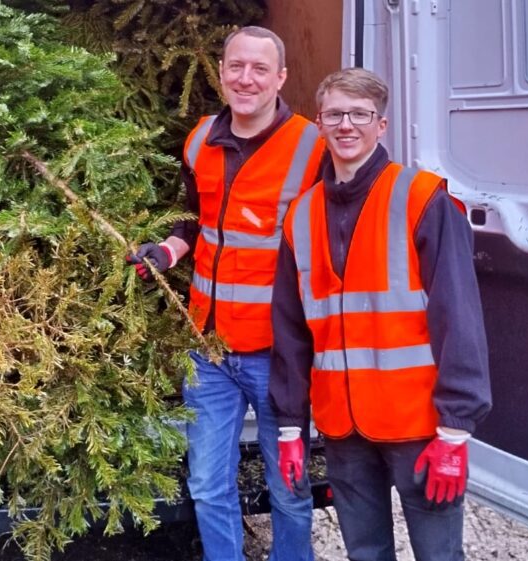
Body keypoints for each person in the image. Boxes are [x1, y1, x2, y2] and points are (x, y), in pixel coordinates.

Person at [269, 67, 492, 561]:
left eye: (360, 114)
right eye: (334, 114)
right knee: (364, 554)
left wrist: (455, 431)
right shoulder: (300, 216)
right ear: (320, 124)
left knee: (439, 556)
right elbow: (289, 331)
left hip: (419, 427)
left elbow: (460, 318)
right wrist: (290, 427)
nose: (346, 125)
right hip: (343, 429)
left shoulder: (422, 198)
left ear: (381, 125)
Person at [128, 26, 326, 561]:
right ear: (221, 72)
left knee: (289, 489)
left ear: (280, 78)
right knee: (208, 486)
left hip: (277, 354)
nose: (246, 78)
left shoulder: (313, 146)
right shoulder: (199, 139)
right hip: (209, 350)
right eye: (236, 66)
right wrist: (165, 252)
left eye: (260, 68)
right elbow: (194, 224)